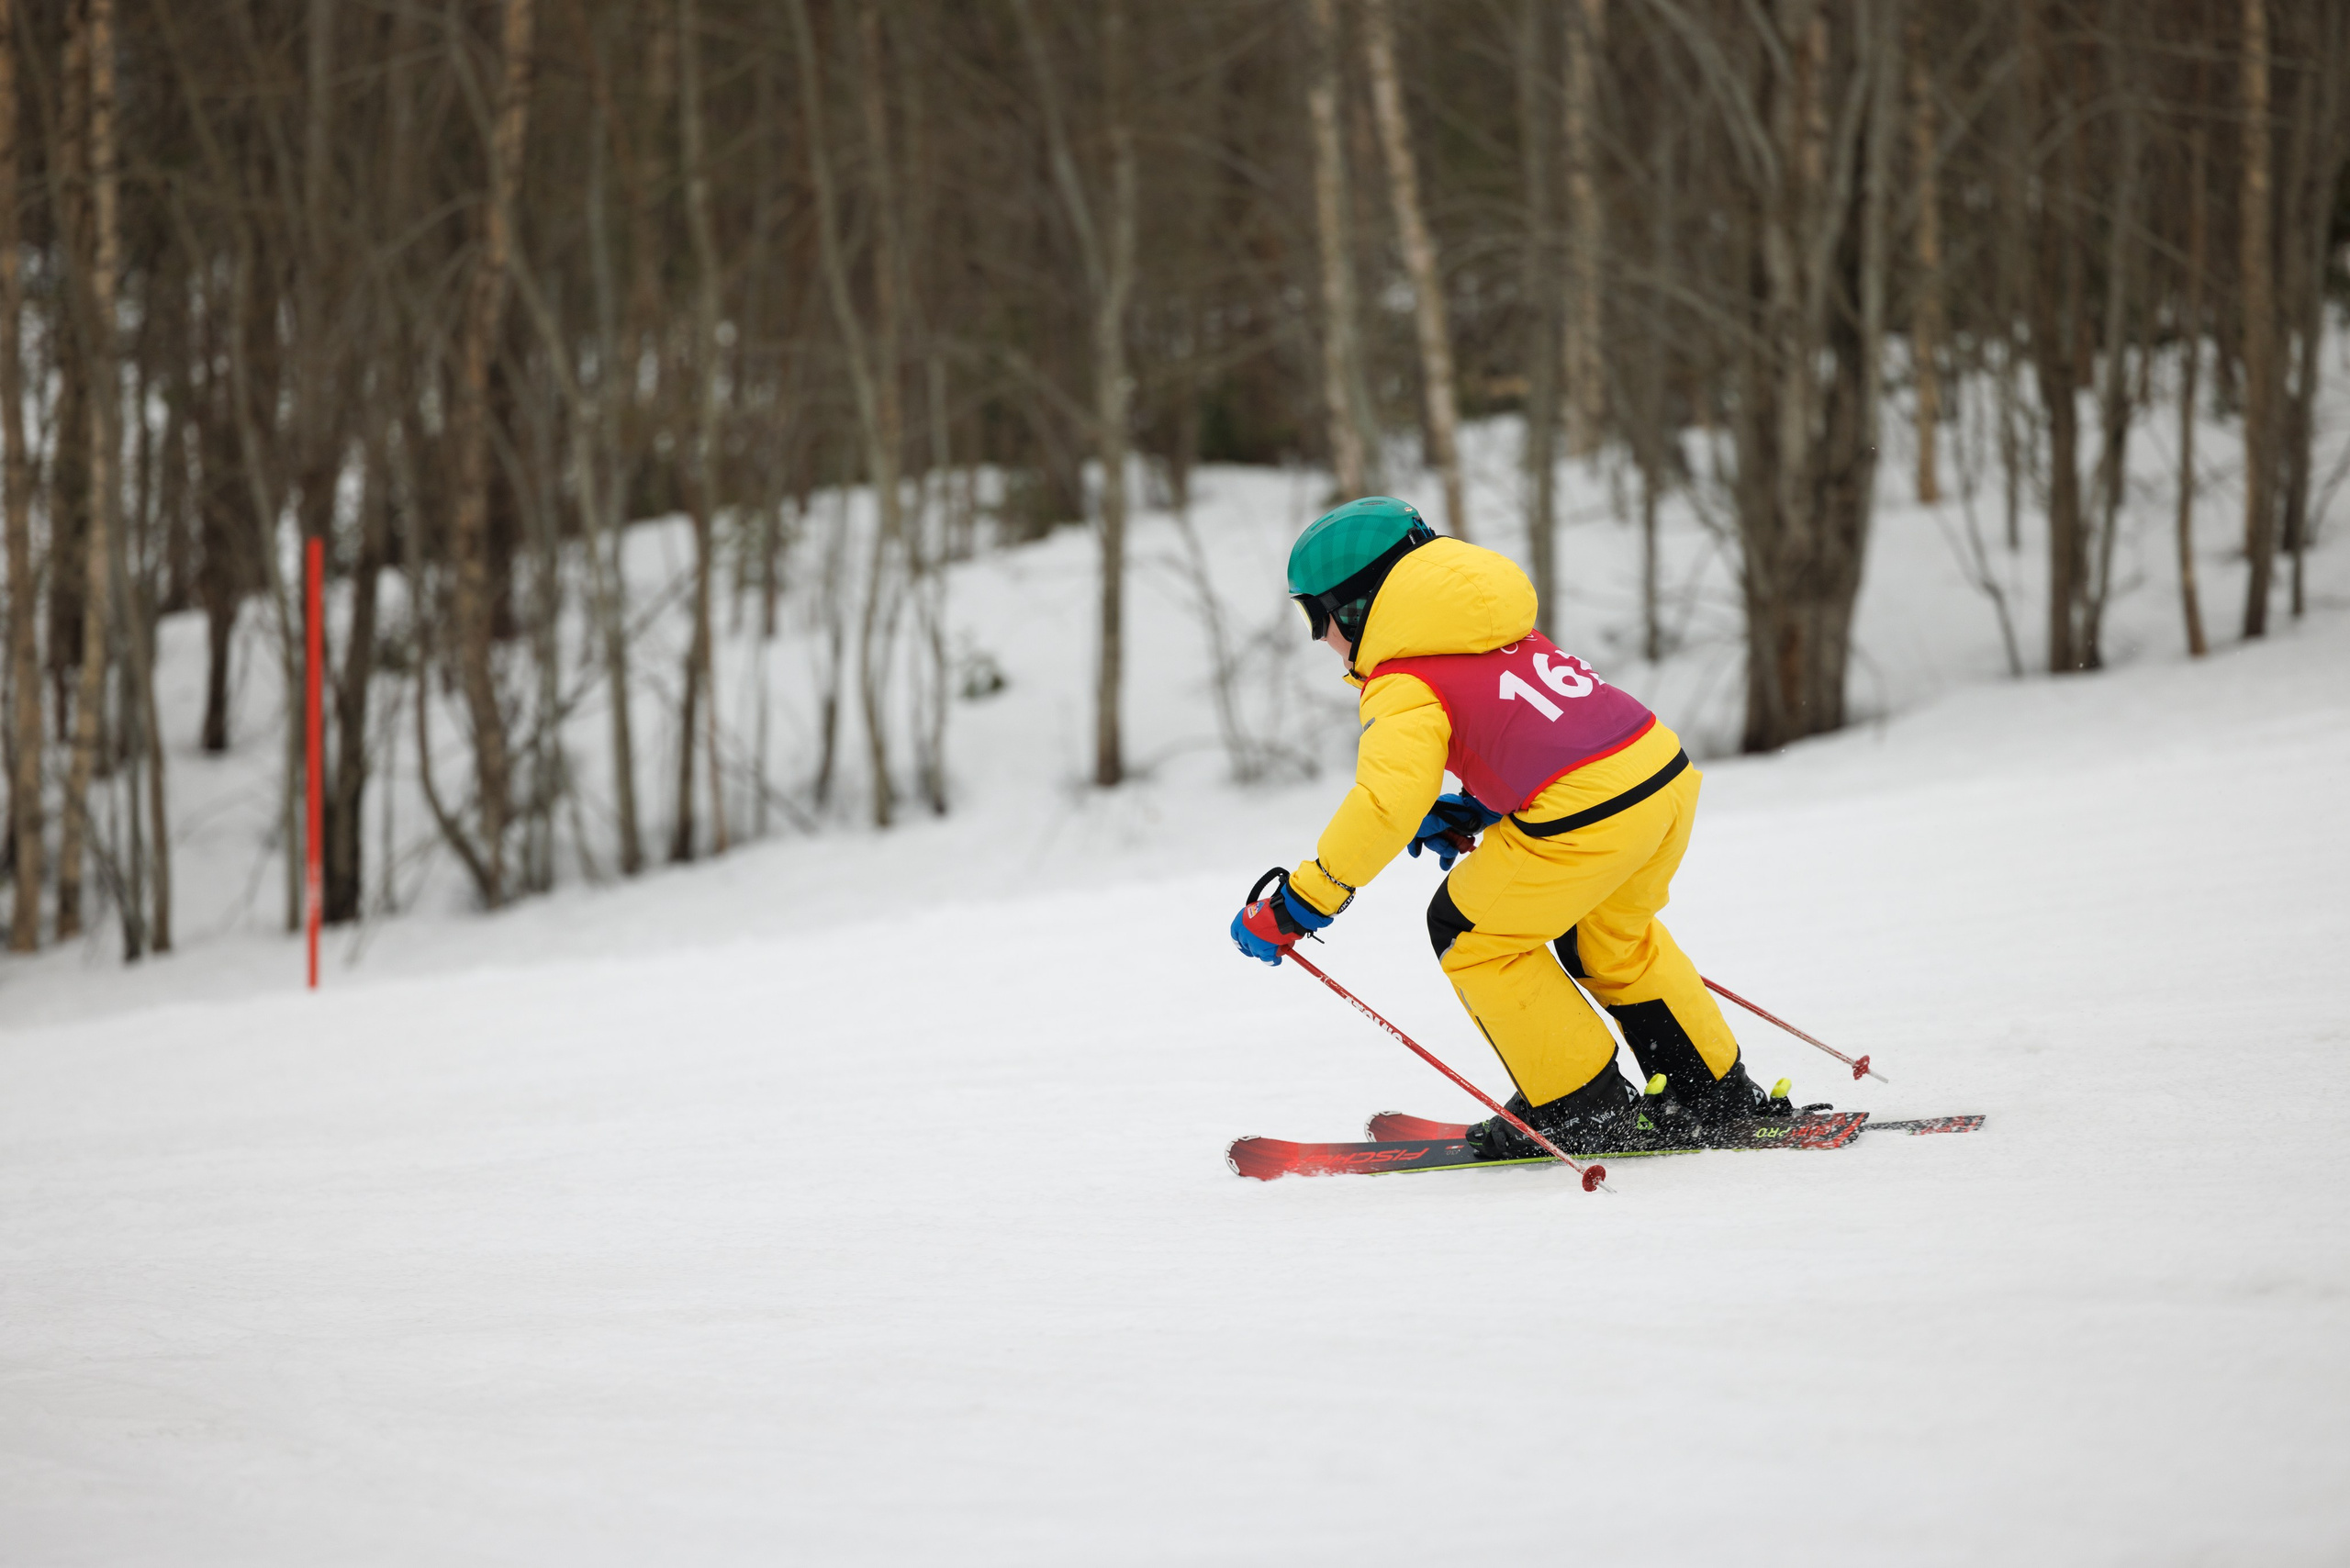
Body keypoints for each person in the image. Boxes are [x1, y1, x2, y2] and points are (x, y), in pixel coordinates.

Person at [1229, 496, 1799, 1157]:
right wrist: (1477, 806)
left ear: (1352, 606)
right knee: (1612, 941)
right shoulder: (1494, 624)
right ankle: (1712, 1094)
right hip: (1660, 778)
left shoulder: (1403, 673)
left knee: (1470, 933)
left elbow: (1386, 803)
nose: (1319, 637)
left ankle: (1583, 1109)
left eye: (1314, 616)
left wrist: (1305, 901)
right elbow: (1546, 725)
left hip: (1582, 817)